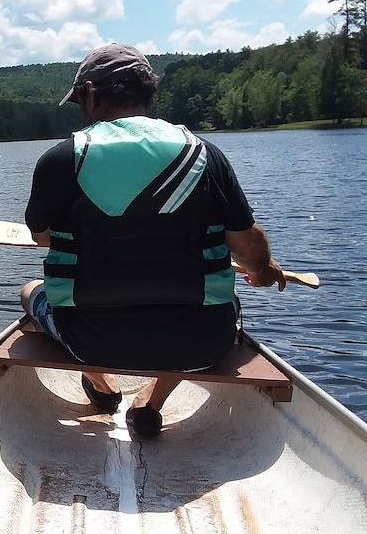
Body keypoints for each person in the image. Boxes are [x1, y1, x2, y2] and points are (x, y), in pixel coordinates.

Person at [21, 43, 286, 438]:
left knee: (31, 291)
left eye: (79, 99)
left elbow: (43, 238)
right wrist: (262, 270)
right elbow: (247, 246)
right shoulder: (204, 154)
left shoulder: (61, 160)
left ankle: (101, 382)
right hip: (202, 341)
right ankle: (152, 402)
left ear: (91, 94)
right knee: (223, 298)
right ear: (148, 92)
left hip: (88, 339)